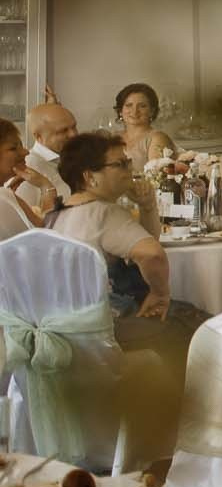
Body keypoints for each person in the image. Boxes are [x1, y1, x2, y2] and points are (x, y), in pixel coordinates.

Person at [46, 131, 204, 359]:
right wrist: (160, 293)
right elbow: (152, 255)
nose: (129, 169)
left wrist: (148, 206)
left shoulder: (55, 215)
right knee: (202, 326)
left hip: (67, 327)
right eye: (120, 164)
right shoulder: (104, 212)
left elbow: (146, 241)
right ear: (90, 177)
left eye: (128, 162)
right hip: (108, 324)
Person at [0, 117, 49, 233]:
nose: (26, 152)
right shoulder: (3, 196)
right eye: (13, 148)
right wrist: (47, 188)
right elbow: (48, 236)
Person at [23, 99, 74, 207]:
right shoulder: (28, 168)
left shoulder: (73, 159)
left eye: (74, 127)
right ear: (38, 136)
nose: (73, 134)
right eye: (63, 131)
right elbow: (25, 220)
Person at [113, 82, 178, 165]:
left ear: (152, 111)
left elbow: (156, 177)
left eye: (142, 106)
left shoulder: (158, 138)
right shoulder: (113, 137)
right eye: (129, 105)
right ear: (120, 111)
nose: (134, 111)